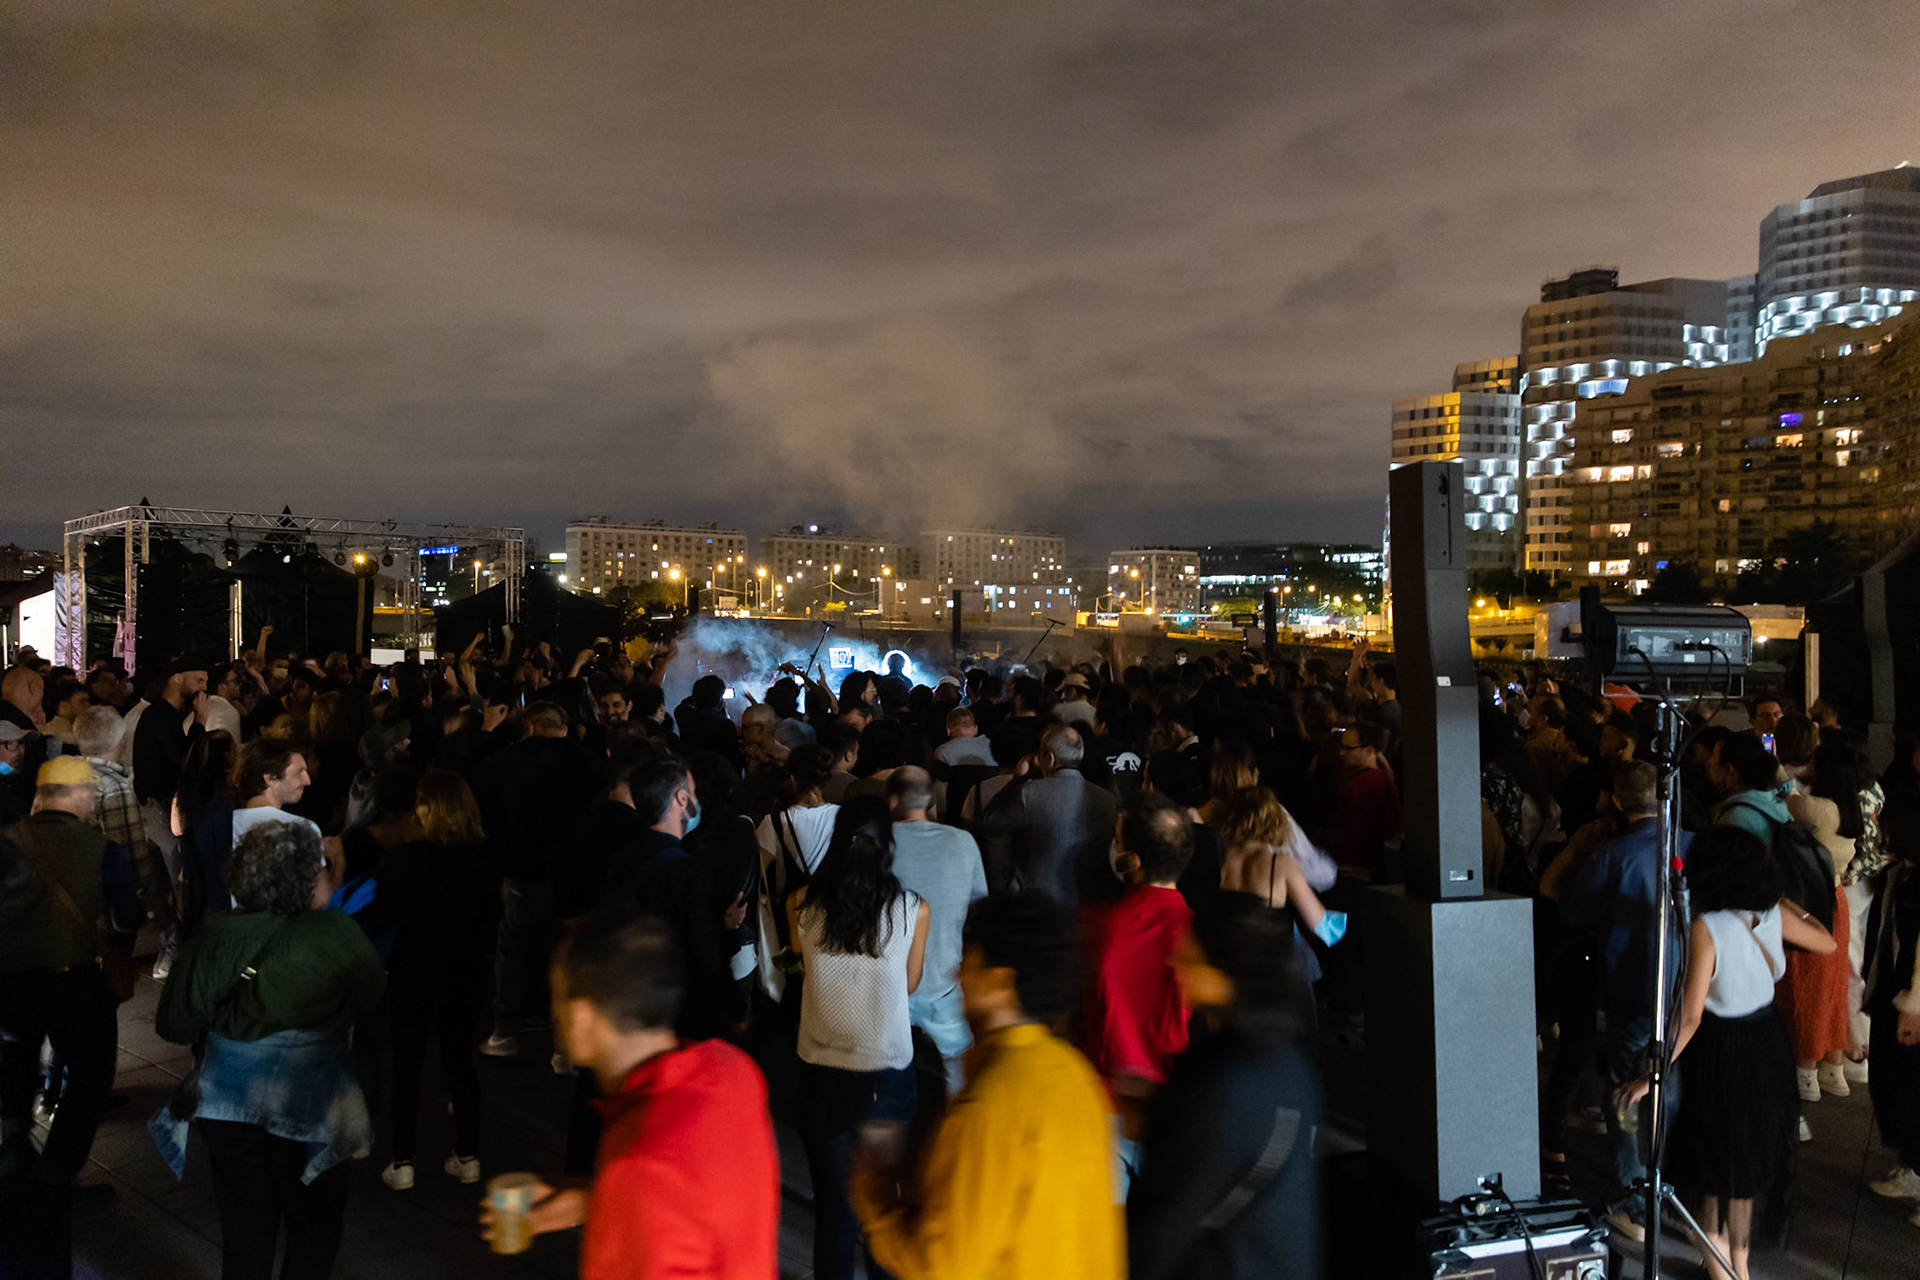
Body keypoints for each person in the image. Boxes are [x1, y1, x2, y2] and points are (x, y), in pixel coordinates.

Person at [478, 910, 780, 1278]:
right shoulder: (733, 1071)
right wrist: (587, 1203)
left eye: (557, 996)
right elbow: (693, 1203)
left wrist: (618, 1198)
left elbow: (654, 1187)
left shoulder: (640, 1164)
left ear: (583, 1016)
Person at [152, 819, 386, 1280]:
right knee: (315, 1225)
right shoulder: (336, 933)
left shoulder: (214, 936)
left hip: (228, 1102)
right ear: (308, 875)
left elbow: (174, 1025)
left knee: (245, 1227)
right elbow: (372, 997)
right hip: (313, 1102)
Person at [852, 892, 1124, 1279]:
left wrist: (876, 1197)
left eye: (969, 963)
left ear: (1001, 981)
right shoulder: (1076, 1077)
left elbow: (941, 1268)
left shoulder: (989, 1109)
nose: (956, 975)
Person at [1617, 828, 1834, 1280]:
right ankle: (1740, 1263)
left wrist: (1652, 1074)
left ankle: (1717, 1260)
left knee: (1712, 1154)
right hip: (1766, 1041)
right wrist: (1787, 901)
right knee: (1745, 1156)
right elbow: (1826, 941)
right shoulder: (1771, 912)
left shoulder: (1707, 926)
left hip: (1722, 1050)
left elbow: (1691, 1015)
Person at [1128, 894, 1322, 1280]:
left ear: (1225, 970)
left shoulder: (1223, 1077)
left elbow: (1169, 1218)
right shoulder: (1284, 1055)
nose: (1175, 962)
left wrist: (1164, 1116)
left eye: (1191, 954)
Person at [1539, 759, 1690, 1230]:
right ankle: (1673, 1185)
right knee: (1671, 1088)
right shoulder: (1692, 846)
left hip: (1632, 989)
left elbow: (1570, 909)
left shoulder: (1614, 855)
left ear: (1619, 801)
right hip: (1686, 990)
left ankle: (1635, 1199)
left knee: (1627, 1098)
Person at [789, 796, 931, 1280]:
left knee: (835, 1213)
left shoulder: (801, 904)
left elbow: (801, 959)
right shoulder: (913, 909)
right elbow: (909, 985)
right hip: (886, 1074)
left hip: (820, 1072)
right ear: (887, 845)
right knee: (883, 1211)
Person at [0, 758, 142, 1198]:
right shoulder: (100, 848)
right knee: (90, 1075)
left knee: (18, 1065)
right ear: (80, 795)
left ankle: (13, 1153)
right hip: (74, 980)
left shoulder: (5, 841)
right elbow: (127, 917)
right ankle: (58, 1175)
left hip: (9, 981)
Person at [373, 770, 500, 1191]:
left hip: (415, 968)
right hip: (467, 970)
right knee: (460, 1062)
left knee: (407, 1063)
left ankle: (403, 1160)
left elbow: (385, 916)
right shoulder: (486, 857)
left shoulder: (405, 858)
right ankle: (468, 1155)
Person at [1081, 793, 1194, 1192]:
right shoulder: (1204, 936)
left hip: (1102, 1106)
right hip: (1177, 1110)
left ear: (1132, 859)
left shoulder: (1091, 926)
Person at [886, 766, 987, 1097]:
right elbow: (977, 911)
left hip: (890, 984)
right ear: (930, 800)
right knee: (959, 1079)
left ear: (892, 801)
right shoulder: (963, 842)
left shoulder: (879, 844)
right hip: (947, 982)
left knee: (887, 1080)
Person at [980, 724, 1121, 908]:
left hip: (1037, 905)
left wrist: (1018, 779)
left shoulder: (1028, 793)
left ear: (1049, 757)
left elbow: (990, 823)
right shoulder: (1107, 800)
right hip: (1088, 904)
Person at [1863, 796, 1920, 1218]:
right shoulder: (1899, 875)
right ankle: (1911, 1166)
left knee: (1909, 1086)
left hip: (1908, 999)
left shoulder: (1914, 882)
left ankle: (1916, 1170)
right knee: (1893, 1083)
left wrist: (1913, 1005)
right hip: (1892, 994)